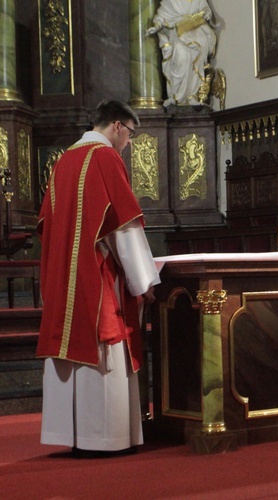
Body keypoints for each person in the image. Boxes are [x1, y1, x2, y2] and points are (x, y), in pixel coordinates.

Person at [37, 100, 161, 457]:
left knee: (69, 343)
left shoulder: (63, 161)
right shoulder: (105, 158)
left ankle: (74, 433)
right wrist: (144, 281)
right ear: (118, 126)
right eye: (130, 135)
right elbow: (123, 225)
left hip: (64, 275)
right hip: (96, 273)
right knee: (103, 339)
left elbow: (48, 224)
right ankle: (104, 438)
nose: (129, 143)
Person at [148, 0, 218, 107]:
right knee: (181, 57)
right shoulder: (169, 1)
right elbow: (161, 17)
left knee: (197, 61)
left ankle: (191, 95)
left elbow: (205, 8)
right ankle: (175, 95)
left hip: (197, 35)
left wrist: (206, 13)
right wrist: (157, 27)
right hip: (178, 36)